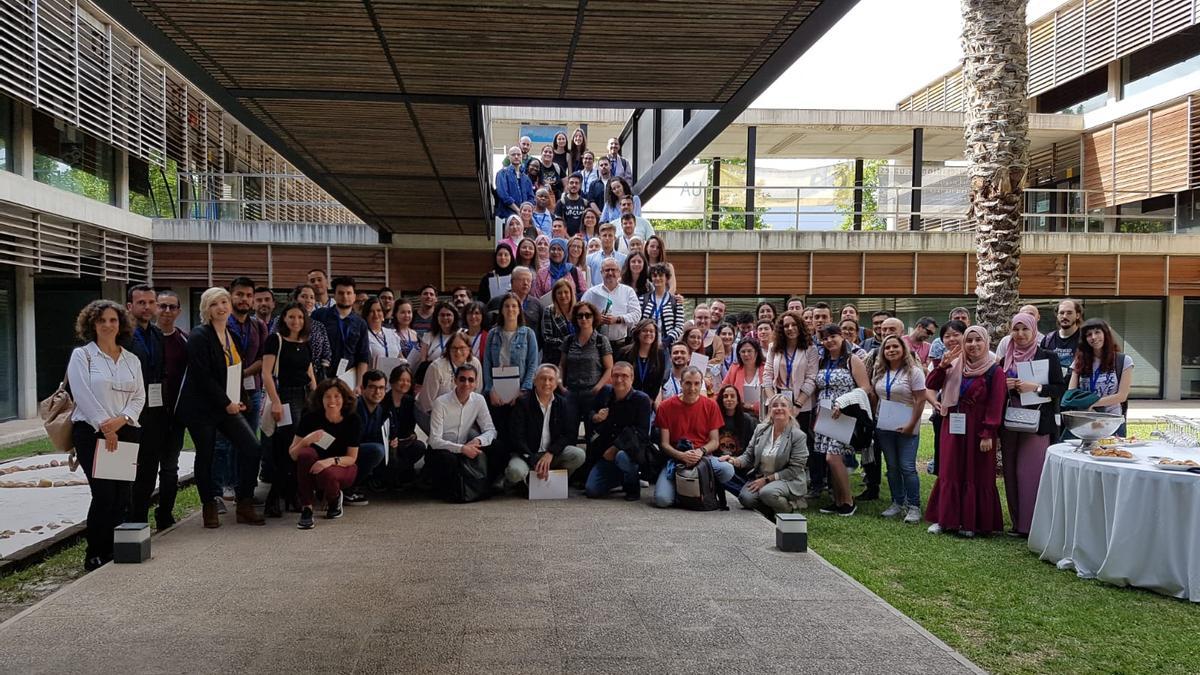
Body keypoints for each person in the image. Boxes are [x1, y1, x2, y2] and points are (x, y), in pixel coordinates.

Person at [175, 287, 264, 528]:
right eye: (214, 304)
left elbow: (236, 371)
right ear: (207, 309)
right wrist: (227, 403)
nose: (221, 307)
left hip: (227, 404)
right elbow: (202, 377)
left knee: (252, 448)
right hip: (201, 407)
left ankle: (244, 502)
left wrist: (240, 399)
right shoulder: (199, 336)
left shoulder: (231, 336)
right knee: (207, 453)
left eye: (224, 302)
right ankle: (209, 505)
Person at [67, 300, 145, 570]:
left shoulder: (131, 359)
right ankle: (94, 552)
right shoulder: (83, 356)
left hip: (126, 431)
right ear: (92, 325)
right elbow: (82, 394)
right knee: (103, 494)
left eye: (113, 320)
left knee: (122, 495)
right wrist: (104, 425)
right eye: (102, 321)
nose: (108, 325)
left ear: (120, 324)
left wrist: (121, 421)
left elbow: (139, 397)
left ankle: (114, 548)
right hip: (91, 433)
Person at [924, 326, 1006, 537]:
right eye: (969, 341)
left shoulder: (994, 370)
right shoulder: (954, 364)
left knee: (975, 471)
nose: (973, 345)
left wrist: (988, 432)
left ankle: (972, 522)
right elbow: (931, 384)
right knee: (950, 469)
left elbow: (996, 404)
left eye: (978, 340)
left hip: (978, 428)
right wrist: (942, 366)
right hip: (952, 423)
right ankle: (945, 520)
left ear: (986, 342)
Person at [999, 313, 1066, 537]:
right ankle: (1017, 524)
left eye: (1024, 329)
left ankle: (1033, 526)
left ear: (1034, 330)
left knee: (1029, 473)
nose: (1020, 334)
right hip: (1010, 423)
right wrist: (1004, 385)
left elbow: (1059, 390)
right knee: (1010, 473)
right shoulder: (1005, 359)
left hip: (1037, 423)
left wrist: (1035, 387)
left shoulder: (1048, 357)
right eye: (1015, 329)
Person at [213, 277, 268, 503]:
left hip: (252, 390)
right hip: (224, 393)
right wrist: (231, 376)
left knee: (248, 441)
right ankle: (222, 488)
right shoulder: (221, 324)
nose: (244, 299)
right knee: (224, 442)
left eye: (248, 295)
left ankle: (243, 488)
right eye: (239, 295)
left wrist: (242, 373)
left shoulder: (259, 326)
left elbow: (264, 358)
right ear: (230, 296)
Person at [261, 301, 317, 518]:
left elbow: (309, 372)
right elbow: (266, 373)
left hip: (304, 398)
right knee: (287, 448)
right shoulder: (274, 340)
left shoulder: (305, 342)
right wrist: (275, 401)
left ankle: (292, 494)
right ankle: (274, 498)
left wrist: (316, 396)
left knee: (299, 448)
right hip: (284, 397)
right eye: (292, 317)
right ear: (283, 318)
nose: (296, 321)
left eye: (300, 317)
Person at [653, 366, 734, 508]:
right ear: (681, 383)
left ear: (701, 383)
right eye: (688, 383)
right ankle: (683, 490)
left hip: (703, 457)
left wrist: (700, 452)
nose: (692, 388)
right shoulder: (666, 407)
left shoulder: (710, 405)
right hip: (676, 459)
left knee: (728, 470)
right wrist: (682, 456)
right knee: (662, 500)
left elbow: (714, 441)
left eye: (697, 383)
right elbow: (664, 444)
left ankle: (704, 485)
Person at [123, 286, 169, 529]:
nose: (147, 307)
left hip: (153, 413)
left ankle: (139, 521)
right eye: (141, 302)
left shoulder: (157, 335)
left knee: (148, 470)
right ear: (130, 306)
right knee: (123, 473)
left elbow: (161, 370)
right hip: (126, 415)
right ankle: (120, 524)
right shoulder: (121, 336)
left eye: (151, 302)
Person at [813, 324, 871, 517]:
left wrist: (844, 402)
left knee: (834, 456)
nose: (829, 341)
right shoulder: (822, 361)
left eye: (833, 337)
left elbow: (865, 388)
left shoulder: (852, 359)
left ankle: (848, 501)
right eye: (825, 338)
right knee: (829, 460)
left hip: (845, 413)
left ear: (841, 337)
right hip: (825, 414)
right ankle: (837, 501)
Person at [869, 335, 927, 524]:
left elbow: (920, 400)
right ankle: (897, 502)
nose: (891, 350)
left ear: (903, 349)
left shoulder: (913, 372)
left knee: (907, 467)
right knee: (892, 467)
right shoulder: (879, 372)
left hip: (907, 425)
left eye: (895, 346)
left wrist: (911, 424)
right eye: (887, 348)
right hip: (884, 426)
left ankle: (914, 506)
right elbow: (875, 396)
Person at [289, 379, 361, 528]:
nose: (332, 400)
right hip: (313, 466)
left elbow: (352, 458)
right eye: (327, 396)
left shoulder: (353, 419)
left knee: (328, 474)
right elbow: (293, 454)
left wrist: (328, 462)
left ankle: (334, 499)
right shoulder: (310, 418)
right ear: (320, 399)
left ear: (344, 398)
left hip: (342, 465)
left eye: (337, 396)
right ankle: (307, 508)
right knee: (305, 454)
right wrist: (306, 441)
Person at [482, 294, 541, 480]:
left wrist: (524, 391)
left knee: (517, 431)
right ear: (501, 310)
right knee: (499, 433)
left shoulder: (528, 333)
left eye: (514, 306)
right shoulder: (493, 333)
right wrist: (490, 389)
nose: (510, 310)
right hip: (497, 393)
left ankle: (517, 472)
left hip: (519, 393)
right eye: (506, 306)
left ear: (519, 309)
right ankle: (498, 474)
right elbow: (487, 364)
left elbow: (533, 363)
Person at [721, 394, 809, 516]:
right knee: (746, 498)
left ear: (790, 410)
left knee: (767, 493)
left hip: (788, 479)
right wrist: (733, 461)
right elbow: (748, 456)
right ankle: (771, 513)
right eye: (774, 405)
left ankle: (789, 511)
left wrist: (766, 480)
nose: (778, 408)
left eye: (783, 405)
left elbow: (795, 469)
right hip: (761, 477)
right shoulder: (761, 429)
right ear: (769, 411)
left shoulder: (798, 436)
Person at [763, 310, 820, 496]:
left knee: (800, 445)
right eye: (786, 325)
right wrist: (774, 402)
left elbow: (811, 378)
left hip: (801, 407)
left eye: (794, 325)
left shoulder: (810, 349)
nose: (790, 328)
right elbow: (767, 375)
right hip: (778, 407)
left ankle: (803, 484)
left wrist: (796, 406)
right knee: (778, 444)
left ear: (800, 327)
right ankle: (776, 481)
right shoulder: (774, 347)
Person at [504, 364, 587, 488]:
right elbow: (517, 437)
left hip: (551, 455)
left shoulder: (562, 404)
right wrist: (532, 459)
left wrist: (551, 453)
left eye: (551, 379)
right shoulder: (523, 403)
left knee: (578, 455)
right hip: (526, 453)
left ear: (556, 382)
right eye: (543, 378)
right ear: (535, 381)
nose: (547, 383)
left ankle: (554, 481)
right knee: (515, 472)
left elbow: (568, 434)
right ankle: (519, 484)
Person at [426, 364, 497, 502]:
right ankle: (449, 490)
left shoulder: (479, 400)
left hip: (466, 446)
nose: (466, 383)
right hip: (442, 450)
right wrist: (462, 449)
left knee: (497, 447)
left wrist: (478, 441)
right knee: (448, 459)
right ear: (455, 380)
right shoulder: (441, 403)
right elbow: (434, 440)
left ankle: (487, 486)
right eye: (462, 379)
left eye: (471, 380)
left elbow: (491, 430)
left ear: (476, 383)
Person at [585, 362, 653, 500]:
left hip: (629, 451)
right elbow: (590, 411)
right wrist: (595, 417)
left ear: (632, 378)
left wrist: (616, 447)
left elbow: (641, 432)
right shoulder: (605, 392)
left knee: (622, 457)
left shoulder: (642, 400)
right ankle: (619, 477)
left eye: (624, 376)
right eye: (615, 375)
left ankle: (632, 486)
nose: (619, 379)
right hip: (604, 453)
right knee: (591, 490)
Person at [153, 289, 188, 525]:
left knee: (169, 468)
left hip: (175, 415)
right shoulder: (142, 338)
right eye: (162, 306)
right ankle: (133, 516)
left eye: (171, 307)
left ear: (178, 311)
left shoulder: (185, 340)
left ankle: (165, 514)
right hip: (145, 416)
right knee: (142, 468)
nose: (166, 311)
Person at [559, 301, 613, 447]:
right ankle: (573, 466)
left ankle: (590, 467)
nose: (584, 319)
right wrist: (561, 384)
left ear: (594, 317)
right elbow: (562, 365)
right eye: (580, 316)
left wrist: (598, 387)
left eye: (587, 315)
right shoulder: (569, 340)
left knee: (593, 435)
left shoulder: (601, 340)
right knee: (569, 432)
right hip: (571, 392)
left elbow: (609, 368)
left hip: (592, 393)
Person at [1069, 318, 1133, 436]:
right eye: (1089, 334)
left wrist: (1091, 403)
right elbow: (1071, 392)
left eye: (1097, 332)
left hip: (1112, 423)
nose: (1093, 337)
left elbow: (1122, 396)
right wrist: (1087, 405)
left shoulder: (1123, 361)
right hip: (1086, 421)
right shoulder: (1079, 361)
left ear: (1106, 334)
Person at [311, 276, 370, 392]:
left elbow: (363, 357)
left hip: (348, 379)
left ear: (354, 297)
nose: (345, 297)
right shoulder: (319, 316)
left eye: (349, 293)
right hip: (322, 378)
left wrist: (359, 384)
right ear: (335, 295)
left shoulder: (360, 323)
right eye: (341, 293)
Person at [416, 331, 481, 434]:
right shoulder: (436, 367)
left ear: (469, 349)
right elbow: (427, 403)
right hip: (433, 415)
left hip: (463, 416)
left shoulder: (475, 363)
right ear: (448, 350)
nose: (458, 352)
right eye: (454, 348)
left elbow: (477, 391)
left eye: (462, 348)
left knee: (474, 438)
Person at [926, 320, 967, 477]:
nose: (951, 339)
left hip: (970, 413)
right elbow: (930, 385)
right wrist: (934, 401)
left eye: (956, 335)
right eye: (947, 336)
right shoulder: (941, 360)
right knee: (946, 454)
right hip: (947, 414)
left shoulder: (982, 355)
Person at [382, 364, 426, 487]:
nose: (404, 383)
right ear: (392, 381)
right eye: (401, 380)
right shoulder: (383, 401)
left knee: (419, 446)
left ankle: (400, 474)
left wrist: (411, 436)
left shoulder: (411, 402)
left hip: (405, 441)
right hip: (388, 442)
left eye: (408, 381)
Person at [581, 257, 642, 347]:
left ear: (619, 272)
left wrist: (618, 319)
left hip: (621, 344)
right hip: (596, 344)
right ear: (601, 272)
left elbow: (637, 314)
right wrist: (596, 319)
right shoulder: (591, 292)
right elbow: (580, 313)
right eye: (607, 270)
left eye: (613, 270)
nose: (610, 273)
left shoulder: (628, 291)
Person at [617, 319, 666, 402]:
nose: (648, 333)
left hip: (648, 401)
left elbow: (659, 380)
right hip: (626, 399)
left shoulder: (660, 354)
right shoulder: (625, 353)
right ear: (638, 333)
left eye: (651, 331)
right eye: (645, 331)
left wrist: (651, 399)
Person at [293, 284, 332, 380]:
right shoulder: (282, 321)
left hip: (315, 376)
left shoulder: (319, 326)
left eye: (312, 297)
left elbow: (326, 353)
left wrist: (322, 373)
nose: (308, 300)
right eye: (304, 297)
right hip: (289, 375)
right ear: (295, 299)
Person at [722, 338, 766, 416]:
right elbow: (723, 390)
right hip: (738, 413)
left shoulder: (765, 368)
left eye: (749, 351)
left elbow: (770, 395)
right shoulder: (734, 368)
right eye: (743, 351)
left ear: (756, 353)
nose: (746, 354)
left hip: (762, 413)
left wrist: (753, 406)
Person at [641, 263, 683, 345]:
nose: (657, 278)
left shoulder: (675, 301)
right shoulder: (643, 299)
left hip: (667, 346)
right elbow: (637, 322)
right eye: (654, 276)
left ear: (666, 278)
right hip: (646, 345)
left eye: (661, 275)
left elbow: (680, 325)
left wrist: (669, 340)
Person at [540, 278, 577, 367]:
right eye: (559, 293)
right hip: (555, 358)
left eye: (566, 292)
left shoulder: (578, 310)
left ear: (571, 294)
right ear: (555, 295)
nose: (563, 295)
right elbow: (547, 338)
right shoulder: (549, 311)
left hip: (576, 357)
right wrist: (569, 343)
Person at [362, 297, 405, 372]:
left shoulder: (392, 333)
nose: (376, 314)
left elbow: (400, 356)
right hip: (374, 378)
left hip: (394, 378)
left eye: (379, 310)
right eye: (371, 311)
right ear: (366, 315)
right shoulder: (363, 335)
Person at [1041, 298, 1083, 373]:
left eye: (1069, 313)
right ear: (1057, 315)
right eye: (1061, 313)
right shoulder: (1047, 340)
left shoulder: (1085, 338)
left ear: (1077, 315)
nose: (1064, 316)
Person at [495, 146, 535, 223]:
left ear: (521, 157)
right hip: (507, 215)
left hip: (524, 218)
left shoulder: (526, 178)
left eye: (518, 154)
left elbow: (531, 197)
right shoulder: (502, 173)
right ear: (508, 157)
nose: (516, 157)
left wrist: (525, 211)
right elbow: (503, 194)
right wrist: (517, 210)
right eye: (513, 155)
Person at [716, 384, 757, 453]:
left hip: (740, 459)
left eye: (732, 396)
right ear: (721, 400)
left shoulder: (747, 420)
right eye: (726, 396)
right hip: (718, 459)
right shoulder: (715, 418)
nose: (729, 399)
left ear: (738, 400)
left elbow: (751, 446)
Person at [418, 301, 461, 366]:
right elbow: (423, 361)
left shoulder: (461, 334)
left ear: (454, 317)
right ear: (436, 317)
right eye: (442, 315)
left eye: (448, 315)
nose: (445, 318)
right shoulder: (428, 336)